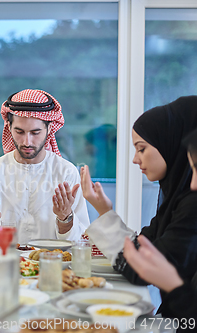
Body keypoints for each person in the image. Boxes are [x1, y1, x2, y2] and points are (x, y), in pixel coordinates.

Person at [81, 96, 197, 316]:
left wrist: (105, 214)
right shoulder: (175, 198)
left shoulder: (191, 205)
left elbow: (139, 267)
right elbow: (144, 248)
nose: (135, 159)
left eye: (141, 149)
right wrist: (104, 211)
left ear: (171, 143)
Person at [0, 89, 90, 244]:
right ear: (9, 128)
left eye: (35, 132)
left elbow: (82, 243)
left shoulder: (66, 173)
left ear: (49, 129)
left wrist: (65, 218)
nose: (27, 141)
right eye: (19, 131)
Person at [122, 129, 197, 323]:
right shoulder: (172, 202)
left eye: (142, 149)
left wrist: (174, 287)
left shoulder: (190, 206)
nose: (194, 184)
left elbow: (135, 270)